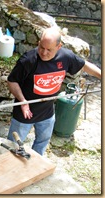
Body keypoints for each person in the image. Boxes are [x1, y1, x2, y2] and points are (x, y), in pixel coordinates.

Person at [7, 27, 101, 156]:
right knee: (14, 146)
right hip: (25, 112)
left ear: (59, 46)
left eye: (49, 50)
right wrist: (23, 101)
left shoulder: (66, 57)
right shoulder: (28, 60)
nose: (44, 53)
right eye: (41, 47)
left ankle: (36, 167)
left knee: (42, 142)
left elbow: (84, 65)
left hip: (47, 112)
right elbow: (12, 81)